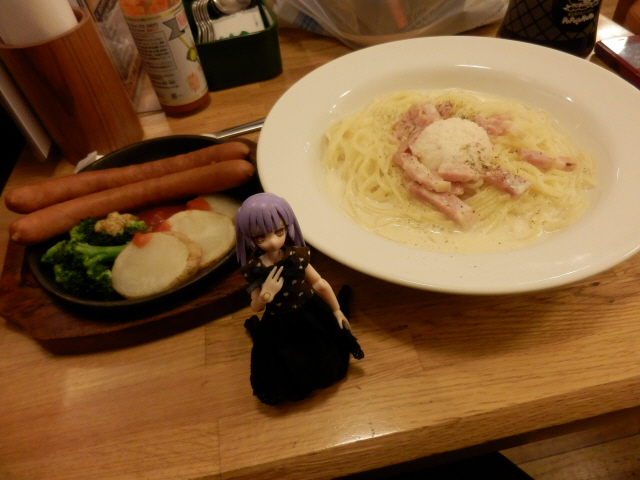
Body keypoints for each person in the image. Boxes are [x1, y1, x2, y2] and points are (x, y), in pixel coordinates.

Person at [236, 193, 364, 406]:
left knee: (321, 346)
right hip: (280, 321)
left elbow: (319, 283)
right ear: (250, 237)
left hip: (310, 310)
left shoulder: (297, 256)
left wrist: (336, 310)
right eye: (260, 237)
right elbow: (255, 306)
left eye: (279, 232)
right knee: (288, 358)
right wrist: (266, 295)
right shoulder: (254, 269)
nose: (272, 241)